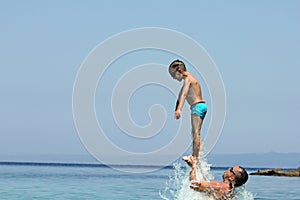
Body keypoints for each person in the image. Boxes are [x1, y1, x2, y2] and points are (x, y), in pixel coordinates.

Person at [168, 59, 207, 161]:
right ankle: (197, 154)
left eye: (173, 75)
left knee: (196, 133)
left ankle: (195, 157)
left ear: (179, 70)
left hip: (197, 106)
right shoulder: (189, 79)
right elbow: (180, 95)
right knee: (194, 133)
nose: (173, 78)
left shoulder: (188, 79)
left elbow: (184, 94)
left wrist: (179, 110)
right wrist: (176, 107)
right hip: (199, 106)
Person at [183, 156, 248, 200]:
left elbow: (194, 185)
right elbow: (205, 186)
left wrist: (193, 167)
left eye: (231, 169)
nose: (228, 169)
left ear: (232, 178)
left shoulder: (220, 186)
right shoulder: (230, 191)